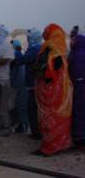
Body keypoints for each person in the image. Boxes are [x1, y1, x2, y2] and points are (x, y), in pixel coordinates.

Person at [34, 24, 73, 156]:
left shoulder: (48, 49)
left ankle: (50, 147)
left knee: (49, 120)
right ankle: (62, 144)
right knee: (61, 119)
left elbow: (43, 72)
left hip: (49, 93)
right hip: (63, 94)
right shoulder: (63, 51)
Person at [14, 29, 43, 139]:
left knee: (32, 108)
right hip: (37, 83)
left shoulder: (34, 49)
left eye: (29, 37)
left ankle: (36, 132)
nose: (28, 39)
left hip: (33, 83)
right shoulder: (40, 47)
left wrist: (17, 51)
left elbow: (22, 60)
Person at [68, 30, 85, 146]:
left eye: (73, 40)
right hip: (77, 85)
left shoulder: (79, 54)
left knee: (79, 109)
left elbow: (77, 73)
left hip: (80, 85)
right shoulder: (74, 53)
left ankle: (80, 137)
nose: (71, 41)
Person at [10, 39, 28, 133]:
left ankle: (21, 126)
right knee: (23, 104)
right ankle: (24, 125)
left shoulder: (15, 55)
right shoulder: (21, 54)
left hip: (18, 83)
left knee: (18, 104)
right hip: (23, 83)